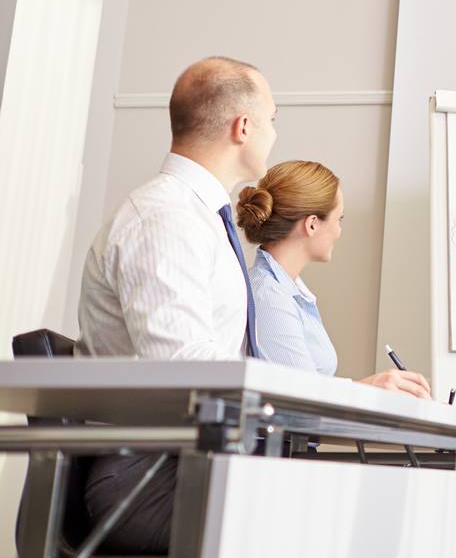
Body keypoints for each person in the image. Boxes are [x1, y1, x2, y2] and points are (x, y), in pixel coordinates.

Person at [75, 58, 427, 553]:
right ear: (244, 127)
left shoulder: (198, 220)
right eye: (273, 119)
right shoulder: (163, 220)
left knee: (372, 508)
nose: (274, 134)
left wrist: (349, 391)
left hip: (190, 461)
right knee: (358, 518)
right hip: (152, 476)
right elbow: (185, 372)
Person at [235, 161, 427, 395]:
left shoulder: (287, 291)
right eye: (339, 220)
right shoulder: (268, 296)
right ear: (312, 224)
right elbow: (301, 397)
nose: (339, 231)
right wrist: (372, 387)